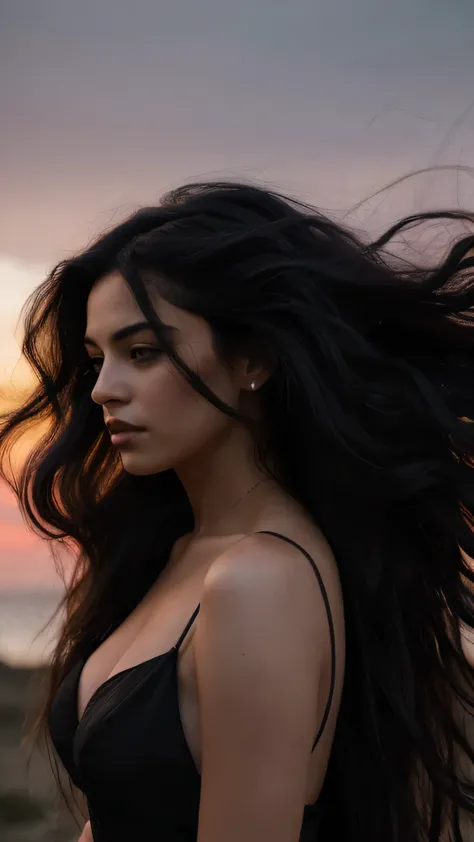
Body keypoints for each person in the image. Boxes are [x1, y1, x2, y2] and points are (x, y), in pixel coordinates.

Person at [1, 179, 474, 842]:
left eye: (143, 353)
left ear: (253, 358)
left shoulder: (261, 581)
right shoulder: (181, 553)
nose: (105, 388)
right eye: (96, 359)